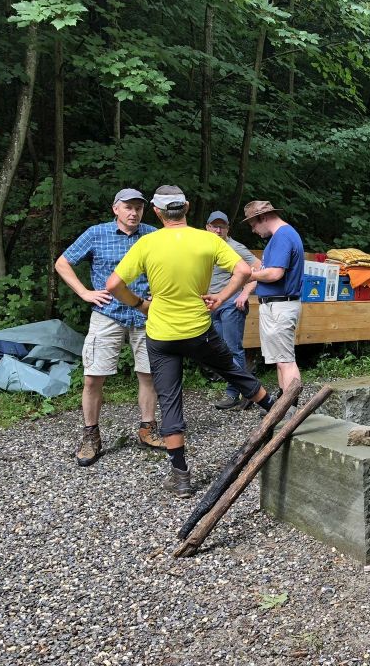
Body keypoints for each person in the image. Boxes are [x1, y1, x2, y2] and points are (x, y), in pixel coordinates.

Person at [106, 186, 277, 498]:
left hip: (161, 335)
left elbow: (113, 284)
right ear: (186, 207)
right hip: (199, 331)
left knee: (169, 399)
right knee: (233, 371)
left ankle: (181, 477)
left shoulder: (147, 243)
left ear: (156, 212)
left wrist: (140, 305)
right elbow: (244, 270)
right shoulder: (207, 239)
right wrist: (221, 297)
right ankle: (277, 412)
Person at [55, 188, 165, 467]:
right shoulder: (96, 233)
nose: (134, 213)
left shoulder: (153, 235)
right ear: (115, 209)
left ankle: (148, 430)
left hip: (145, 315)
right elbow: (63, 262)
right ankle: (91, 436)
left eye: (138, 208)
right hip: (107, 314)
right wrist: (84, 292)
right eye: (128, 207)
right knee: (93, 377)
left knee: (149, 375)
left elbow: (168, 269)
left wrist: (160, 295)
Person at [242, 200, 304, 400]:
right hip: (276, 305)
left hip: (280, 307)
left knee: (286, 361)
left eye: (253, 225)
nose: (253, 230)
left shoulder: (283, 236)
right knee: (281, 360)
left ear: (263, 217)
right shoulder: (281, 236)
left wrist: (249, 275)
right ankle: (282, 405)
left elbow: (275, 273)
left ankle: (291, 408)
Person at [204, 210, 259, 410]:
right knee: (221, 350)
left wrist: (245, 293)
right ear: (207, 227)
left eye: (222, 227)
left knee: (233, 349)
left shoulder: (235, 247)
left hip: (231, 305)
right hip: (211, 305)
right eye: (214, 226)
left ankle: (235, 393)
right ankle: (248, 388)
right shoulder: (202, 246)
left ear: (228, 228)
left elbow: (258, 267)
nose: (218, 230)